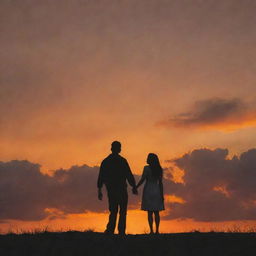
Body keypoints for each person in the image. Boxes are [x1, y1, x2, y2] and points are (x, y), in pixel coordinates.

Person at [97, 141, 138, 235]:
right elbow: (129, 174)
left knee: (113, 210)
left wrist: (99, 190)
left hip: (112, 190)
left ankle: (111, 230)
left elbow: (101, 176)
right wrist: (134, 186)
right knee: (122, 211)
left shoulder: (106, 161)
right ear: (119, 149)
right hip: (121, 189)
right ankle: (121, 231)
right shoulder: (122, 161)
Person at [136, 153, 164, 234]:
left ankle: (151, 230)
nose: (146, 159)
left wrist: (136, 187)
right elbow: (160, 183)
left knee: (150, 212)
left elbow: (143, 179)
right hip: (156, 190)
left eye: (148, 158)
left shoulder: (146, 168)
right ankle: (157, 230)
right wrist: (162, 195)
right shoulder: (159, 169)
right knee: (157, 212)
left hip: (148, 190)